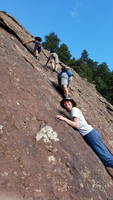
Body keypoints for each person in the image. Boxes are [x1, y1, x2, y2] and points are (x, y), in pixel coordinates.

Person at [56, 97, 113, 178]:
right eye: (64, 103)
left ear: (72, 103)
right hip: (91, 133)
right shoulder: (73, 111)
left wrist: (64, 119)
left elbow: (76, 125)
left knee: (106, 159)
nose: (66, 103)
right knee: (107, 156)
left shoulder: (74, 110)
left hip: (90, 134)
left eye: (68, 102)